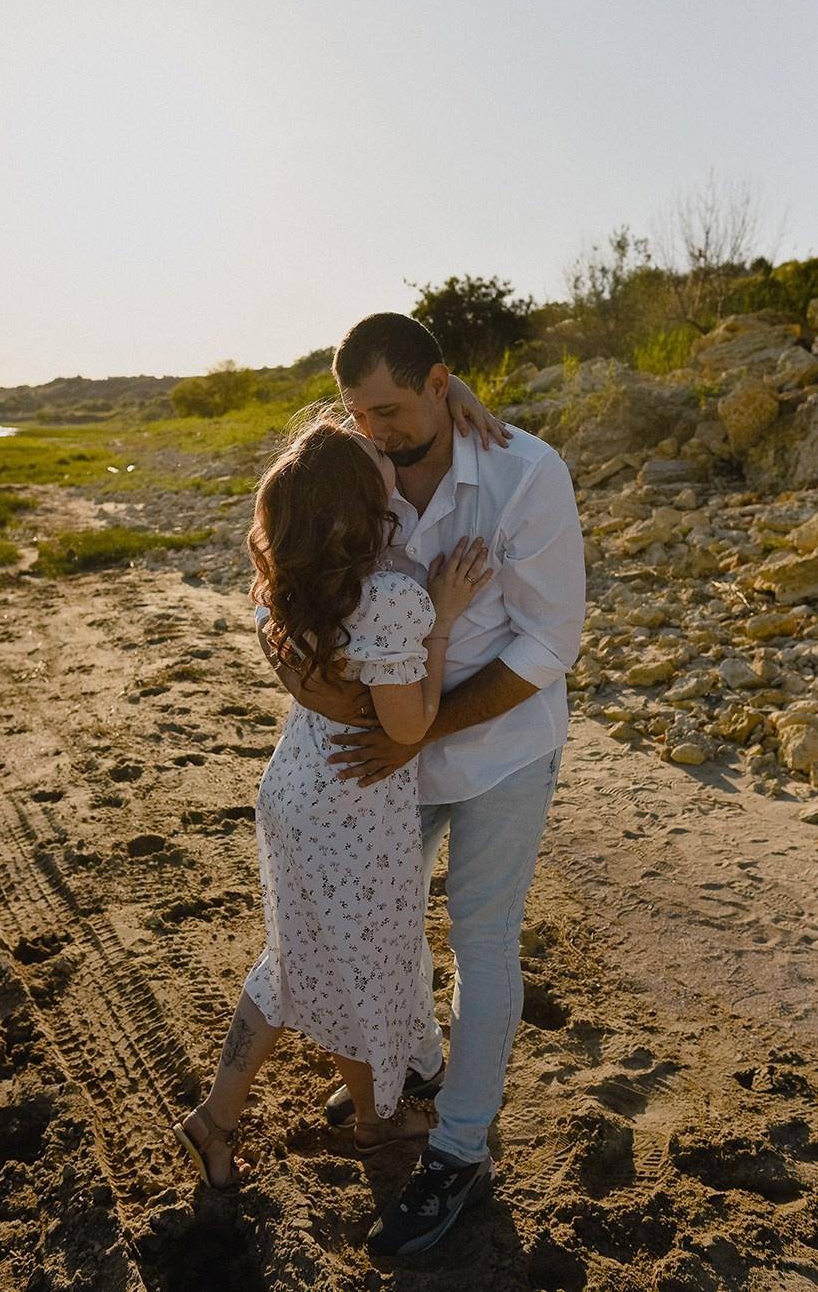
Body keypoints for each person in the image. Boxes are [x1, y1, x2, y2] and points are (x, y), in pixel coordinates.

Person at [279, 312, 586, 1256]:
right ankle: (409, 1064)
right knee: (380, 913)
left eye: (391, 408)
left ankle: (458, 1150)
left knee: (481, 940)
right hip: (390, 751)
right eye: (356, 409)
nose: (373, 428)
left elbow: (548, 643)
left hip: (495, 747)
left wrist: (417, 735)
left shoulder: (524, 473)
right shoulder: (354, 469)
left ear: (442, 381)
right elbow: (291, 561)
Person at [172, 416, 491, 1189]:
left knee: (294, 958)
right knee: (364, 964)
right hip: (352, 808)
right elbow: (406, 724)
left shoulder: (289, 576)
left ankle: (213, 1118)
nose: (381, 445)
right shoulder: (387, 595)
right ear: (359, 498)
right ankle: (376, 1121)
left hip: (292, 787)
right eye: (371, 452)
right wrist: (442, 619)